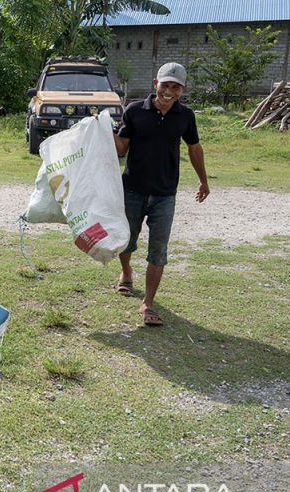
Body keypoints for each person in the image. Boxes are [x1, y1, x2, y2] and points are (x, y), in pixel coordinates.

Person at [113, 62, 210, 326]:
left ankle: (148, 303)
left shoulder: (185, 116)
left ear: (182, 90)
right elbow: (122, 147)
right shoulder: (134, 110)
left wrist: (204, 181)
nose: (169, 91)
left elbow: (194, 148)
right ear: (155, 84)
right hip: (132, 189)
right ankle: (126, 272)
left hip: (165, 194)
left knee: (159, 250)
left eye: (175, 87)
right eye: (165, 85)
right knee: (126, 240)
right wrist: (102, 131)